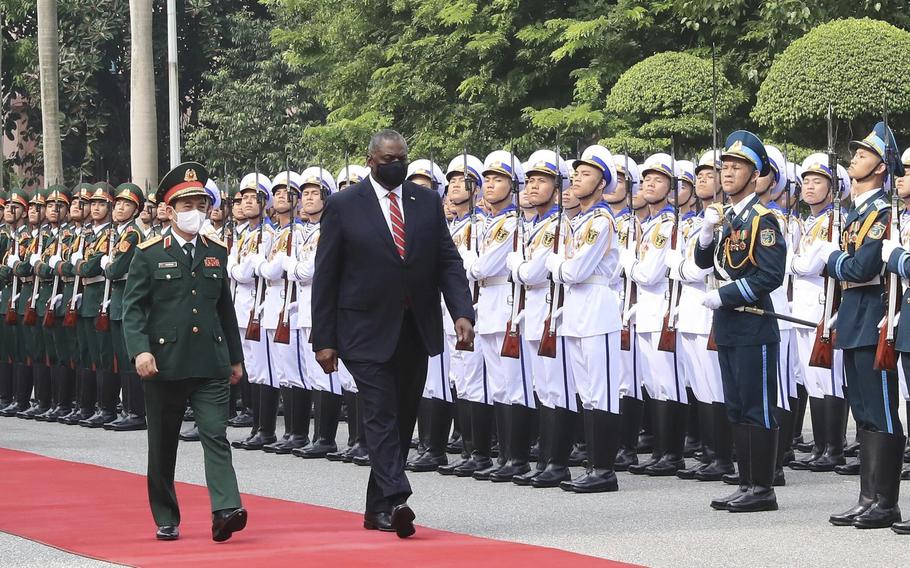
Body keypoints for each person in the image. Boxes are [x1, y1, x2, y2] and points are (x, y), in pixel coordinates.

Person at [311, 129, 474, 538]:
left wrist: (461, 311)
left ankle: (377, 509)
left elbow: (446, 260)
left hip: (414, 327)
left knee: (401, 418)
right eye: (387, 159)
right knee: (380, 412)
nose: (396, 165)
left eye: (401, 157)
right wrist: (324, 338)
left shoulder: (425, 202)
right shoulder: (344, 205)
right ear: (371, 161)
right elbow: (326, 275)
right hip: (363, 328)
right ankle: (398, 497)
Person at [122, 162, 246, 542]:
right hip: (164, 364)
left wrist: (235, 358)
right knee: (162, 443)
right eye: (187, 203)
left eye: (200, 203)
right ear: (170, 209)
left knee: (214, 432)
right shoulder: (146, 253)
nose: (195, 210)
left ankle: (225, 509)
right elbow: (134, 309)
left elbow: (224, 307)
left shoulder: (216, 251)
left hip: (209, 361)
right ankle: (166, 515)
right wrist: (140, 352)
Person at [695, 130, 785, 513]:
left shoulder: (762, 220)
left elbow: (769, 276)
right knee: (735, 405)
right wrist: (705, 235)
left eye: (738, 167)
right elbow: (705, 263)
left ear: (755, 174)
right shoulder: (725, 216)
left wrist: (726, 295)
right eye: (725, 167)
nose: (728, 173)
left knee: (756, 407)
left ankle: (762, 488)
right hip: (728, 326)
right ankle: (746, 482)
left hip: (753, 325)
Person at [822, 122, 905, 530]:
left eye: (864, 153)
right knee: (863, 413)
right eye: (854, 152)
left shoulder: (881, 213)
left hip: (874, 316)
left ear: (880, 168)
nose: (854, 157)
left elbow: (860, 266)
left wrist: (832, 261)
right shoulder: (858, 212)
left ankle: (885, 502)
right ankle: (867, 497)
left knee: (881, 412)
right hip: (854, 315)